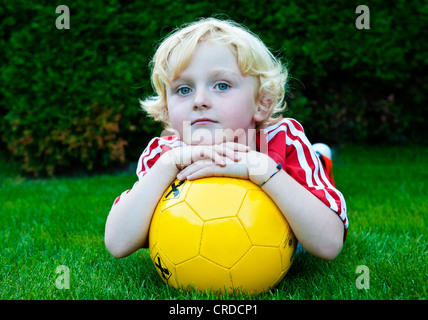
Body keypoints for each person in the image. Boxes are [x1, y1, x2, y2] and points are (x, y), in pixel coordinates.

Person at [105, 17, 348, 261]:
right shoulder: (163, 154)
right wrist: (167, 167)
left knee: (314, 169)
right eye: (183, 89)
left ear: (261, 103)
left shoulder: (283, 141)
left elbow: (329, 245)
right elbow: (117, 244)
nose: (199, 100)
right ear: (167, 110)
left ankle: (320, 158)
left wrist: (262, 170)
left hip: (291, 178)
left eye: (221, 85)